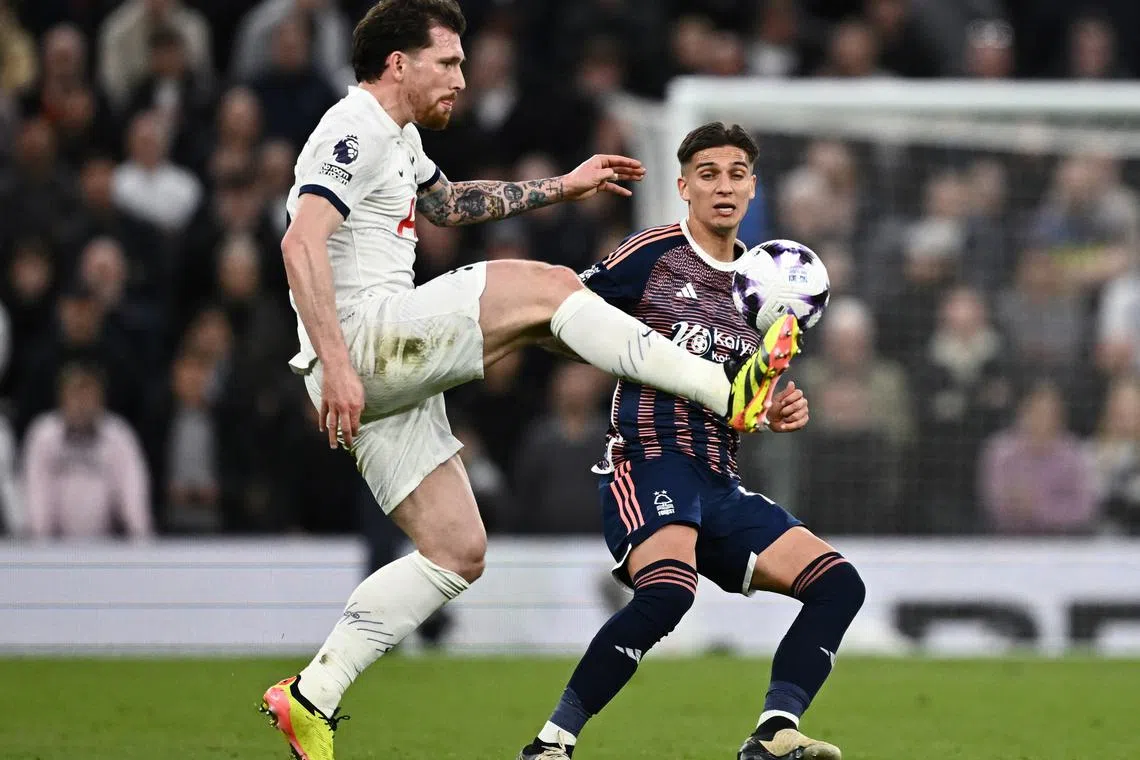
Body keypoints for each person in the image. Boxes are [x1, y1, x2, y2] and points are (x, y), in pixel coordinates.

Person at [259, 3, 790, 758]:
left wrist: (561, 188)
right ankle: (720, 386)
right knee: (547, 288)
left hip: (377, 370)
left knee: (456, 550)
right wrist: (339, 364)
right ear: (397, 63)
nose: (463, 78)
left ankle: (311, 694)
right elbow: (299, 244)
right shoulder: (354, 128)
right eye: (448, 62)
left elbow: (447, 204)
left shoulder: (399, 139)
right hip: (363, 345)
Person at [515, 122, 865, 760]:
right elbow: (560, 316)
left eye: (736, 174)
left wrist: (770, 410)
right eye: (708, 174)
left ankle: (772, 732)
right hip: (647, 460)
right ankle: (551, 743)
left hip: (717, 478)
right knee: (672, 590)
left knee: (840, 584)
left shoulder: (767, 284)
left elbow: (738, 401)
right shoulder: (651, 254)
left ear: (754, 187)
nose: (723, 186)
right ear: (683, 186)